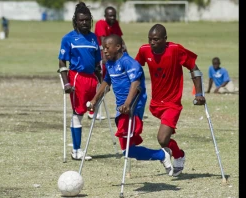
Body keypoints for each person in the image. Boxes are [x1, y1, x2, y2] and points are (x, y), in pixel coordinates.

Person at [88, 34, 173, 176]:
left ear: (118, 47)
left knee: (127, 149)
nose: (105, 51)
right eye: (103, 48)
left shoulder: (129, 63)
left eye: (108, 48)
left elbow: (136, 83)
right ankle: (162, 155)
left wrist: (128, 104)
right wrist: (94, 99)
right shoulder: (109, 63)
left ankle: (162, 155)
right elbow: (107, 81)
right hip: (121, 109)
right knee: (129, 150)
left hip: (132, 107)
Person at [134, 24, 206, 177]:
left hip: (172, 103)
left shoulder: (175, 49)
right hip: (155, 103)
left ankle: (177, 156)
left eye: (156, 39)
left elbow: (194, 68)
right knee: (165, 139)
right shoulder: (144, 50)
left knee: (162, 138)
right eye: (150, 39)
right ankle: (179, 154)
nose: (152, 43)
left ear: (165, 39)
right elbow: (135, 67)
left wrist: (198, 93)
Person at [57, 2, 102, 161]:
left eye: (87, 20)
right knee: (78, 113)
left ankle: (79, 149)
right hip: (77, 78)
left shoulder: (94, 38)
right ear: (75, 21)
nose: (84, 23)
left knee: (91, 110)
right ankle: (76, 150)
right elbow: (62, 62)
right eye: (81, 20)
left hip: (92, 79)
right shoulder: (68, 38)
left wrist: (102, 81)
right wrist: (66, 83)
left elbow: (97, 63)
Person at [88, 6, 127, 120]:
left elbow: (120, 40)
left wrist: (126, 54)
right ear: (105, 16)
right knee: (101, 83)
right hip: (102, 55)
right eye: (110, 15)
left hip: (114, 56)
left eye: (114, 15)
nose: (113, 18)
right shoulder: (100, 24)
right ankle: (92, 110)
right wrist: (105, 58)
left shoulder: (115, 23)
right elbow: (104, 41)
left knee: (109, 84)